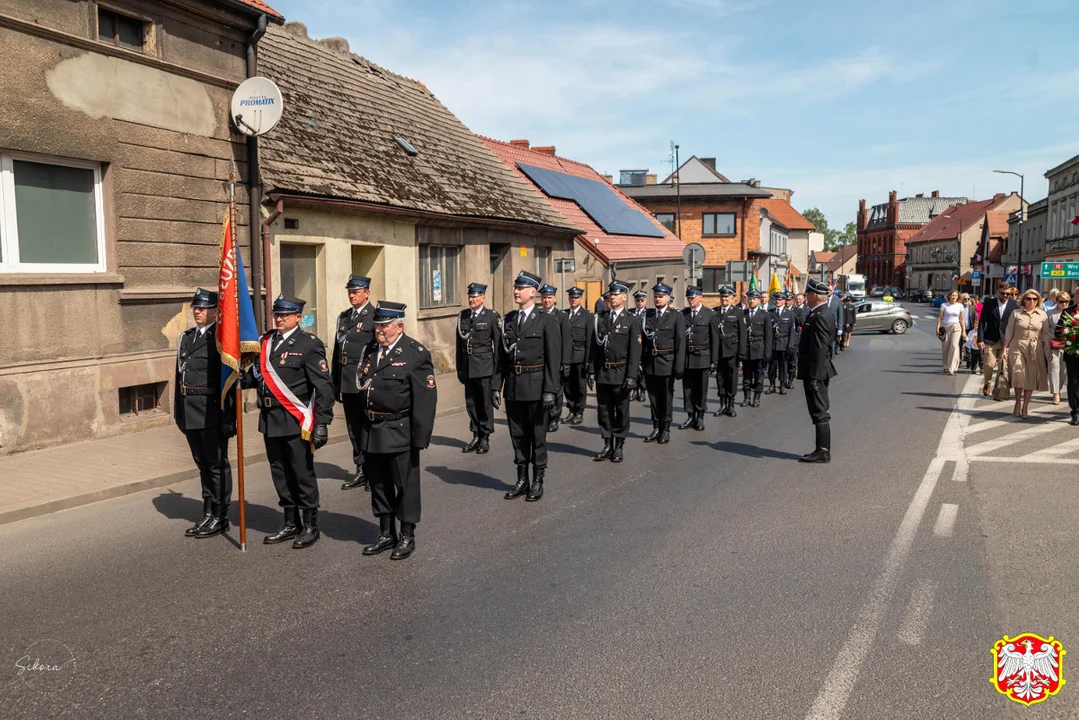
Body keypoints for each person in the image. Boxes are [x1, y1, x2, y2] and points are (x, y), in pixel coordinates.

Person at [245, 295, 335, 549]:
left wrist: (322, 422)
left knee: (301, 472)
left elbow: (324, 387)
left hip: (296, 420)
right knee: (280, 473)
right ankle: (289, 521)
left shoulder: (308, 345)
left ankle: (309, 525)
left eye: (285, 314)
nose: (280, 318)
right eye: (277, 314)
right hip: (270, 418)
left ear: (298, 317)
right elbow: (256, 376)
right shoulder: (265, 342)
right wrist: (241, 380)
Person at [357, 301, 438, 560]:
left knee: (405, 486)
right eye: (377, 325)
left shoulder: (414, 353)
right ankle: (385, 532)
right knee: (379, 483)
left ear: (399, 326)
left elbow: (425, 400)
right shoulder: (370, 350)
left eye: (385, 326)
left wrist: (420, 437)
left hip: (400, 429)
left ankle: (407, 535)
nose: (379, 330)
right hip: (373, 428)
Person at [174, 288, 235, 539]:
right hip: (190, 411)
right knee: (202, 465)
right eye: (195, 307)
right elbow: (179, 376)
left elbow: (228, 382)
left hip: (212, 412)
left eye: (203, 308)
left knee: (216, 465)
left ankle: (221, 516)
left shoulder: (221, 341)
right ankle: (208, 511)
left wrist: (228, 417)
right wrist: (178, 412)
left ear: (215, 311)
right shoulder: (186, 338)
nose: (198, 311)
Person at [501, 271, 561, 502]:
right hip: (514, 387)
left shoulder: (547, 320)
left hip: (537, 388)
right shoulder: (508, 320)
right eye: (515, 287)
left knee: (537, 436)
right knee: (517, 436)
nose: (516, 291)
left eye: (521, 288)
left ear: (533, 292)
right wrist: (497, 387)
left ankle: (538, 480)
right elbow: (502, 358)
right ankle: (521, 479)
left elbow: (553, 360)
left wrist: (550, 391)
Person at [590, 281, 643, 462]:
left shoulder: (632, 321)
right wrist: (591, 371)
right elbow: (594, 348)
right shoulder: (601, 319)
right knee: (604, 411)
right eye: (610, 294)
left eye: (616, 294)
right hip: (603, 372)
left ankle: (619, 445)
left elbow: (635, 352)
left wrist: (631, 376)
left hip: (621, 373)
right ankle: (607, 444)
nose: (612, 297)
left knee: (621, 411)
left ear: (624, 297)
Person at [332, 274, 376, 490]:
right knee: (353, 428)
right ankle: (360, 469)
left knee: (368, 427)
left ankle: (373, 470)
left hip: (365, 382)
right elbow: (336, 352)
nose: (352, 295)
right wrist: (334, 383)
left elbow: (378, 352)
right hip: (347, 381)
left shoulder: (374, 317)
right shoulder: (344, 317)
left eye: (356, 291)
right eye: (350, 291)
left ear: (367, 293)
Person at [456, 282, 502, 453]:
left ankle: (485, 437)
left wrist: (497, 373)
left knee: (484, 403)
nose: (472, 299)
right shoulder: (463, 316)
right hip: (468, 366)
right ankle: (475, 435)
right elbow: (459, 345)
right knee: (471, 403)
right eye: (470, 296)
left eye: (475, 296)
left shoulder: (491, 316)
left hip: (485, 367)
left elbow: (497, 348)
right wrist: (459, 368)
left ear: (483, 297)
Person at [798, 279, 838, 463]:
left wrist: (813, 376)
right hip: (816, 370)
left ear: (814, 295)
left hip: (817, 372)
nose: (806, 296)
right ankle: (820, 449)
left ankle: (823, 451)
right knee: (817, 410)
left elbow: (821, 348)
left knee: (820, 411)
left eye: (807, 293)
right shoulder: (819, 312)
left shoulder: (821, 315)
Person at [641, 282, 686, 442]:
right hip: (650, 363)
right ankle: (656, 427)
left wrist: (679, 366)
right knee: (653, 398)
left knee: (666, 398)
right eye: (655, 296)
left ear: (668, 298)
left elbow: (680, 343)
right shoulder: (648, 316)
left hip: (667, 362)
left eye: (661, 296)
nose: (658, 299)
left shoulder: (676, 316)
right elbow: (642, 341)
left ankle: (665, 428)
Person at [1004, 289, 1052, 419]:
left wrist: (1048, 351)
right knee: (1019, 375)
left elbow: (1045, 334)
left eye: (1034, 299)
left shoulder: (1042, 315)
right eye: (1029, 298)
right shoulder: (1016, 313)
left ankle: (1025, 406)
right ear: (1023, 299)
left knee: (1030, 377)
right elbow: (1009, 332)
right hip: (1017, 345)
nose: (1031, 301)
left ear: (1038, 301)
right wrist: (1004, 349)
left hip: (1035, 348)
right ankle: (1018, 402)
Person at [681, 286, 718, 429]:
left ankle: (700, 416)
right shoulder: (683, 314)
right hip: (687, 358)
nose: (691, 300)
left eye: (693, 297)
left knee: (702, 389)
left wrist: (714, 360)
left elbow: (715, 339)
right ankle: (690, 416)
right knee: (688, 389)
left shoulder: (710, 315)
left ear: (700, 297)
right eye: (689, 298)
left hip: (703, 357)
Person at [539, 284, 572, 433]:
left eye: (549, 298)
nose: (546, 300)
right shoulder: (538, 315)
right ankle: (544, 417)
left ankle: (554, 417)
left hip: (557, 360)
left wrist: (566, 361)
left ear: (555, 299)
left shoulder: (561, 316)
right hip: (542, 360)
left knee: (557, 390)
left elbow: (567, 340)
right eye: (544, 298)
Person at [711, 285, 746, 417]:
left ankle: (730, 405)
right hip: (719, 351)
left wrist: (741, 354)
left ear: (732, 298)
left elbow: (742, 335)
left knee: (731, 378)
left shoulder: (738, 312)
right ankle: (722, 404)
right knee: (720, 378)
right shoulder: (714, 312)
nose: (724, 298)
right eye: (722, 296)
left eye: (727, 296)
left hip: (732, 350)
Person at [561, 286, 592, 425]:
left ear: (580, 299)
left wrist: (588, 361)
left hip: (580, 355)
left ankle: (579, 412)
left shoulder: (587, 315)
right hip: (566, 356)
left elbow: (589, 340)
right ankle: (571, 409)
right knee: (567, 386)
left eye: (576, 297)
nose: (573, 300)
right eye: (571, 297)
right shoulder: (563, 314)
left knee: (580, 386)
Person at [978, 283, 1016, 396]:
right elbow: (981, 322)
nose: (1005, 296)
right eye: (1003, 293)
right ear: (997, 292)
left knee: (1003, 367)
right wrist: (980, 339)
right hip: (990, 338)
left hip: (1007, 339)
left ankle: (998, 390)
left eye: (1008, 294)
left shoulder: (1014, 304)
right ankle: (987, 382)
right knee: (989, 364)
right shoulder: (989, 303)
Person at [742, 289, 773, 407]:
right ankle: (746, 398)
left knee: (759, 376)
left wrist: (768, 353)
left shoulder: (764, 315)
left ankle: (756, 398)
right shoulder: (743, 314)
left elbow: (768, 336)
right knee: (746, 376)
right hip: (746, 349)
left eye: (754, 298)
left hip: (759, 349)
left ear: (758, 300)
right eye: (749, 298)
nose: (751, 300)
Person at [1055, 293, 1079, 425]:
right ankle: (1076, 412)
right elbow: (1058, 331)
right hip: (1073, 352)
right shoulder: (1068, 311)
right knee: (1074, 383)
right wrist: (1070, 332)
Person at [766, 292, 794, 394]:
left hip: (784, 343)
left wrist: (790, 345)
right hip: (773, 344)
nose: (777, 301)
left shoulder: (789, 313)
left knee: (783, 366)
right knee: (772, 366)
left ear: (784, 301)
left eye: (780, 300)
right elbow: (767, 331)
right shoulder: (770, 313)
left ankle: (782, 385)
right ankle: (772, 385)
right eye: (776, 300)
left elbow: (792, 331)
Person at [1047, 291, 1070, 405]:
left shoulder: (1072, 313)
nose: (1064, 304)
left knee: (1064, 370)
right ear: (1056, 301)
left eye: (1066, 301)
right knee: (1054, 367)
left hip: (1068, 346)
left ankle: (1059, 389)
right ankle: (1055, 393)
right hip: (1053, 345)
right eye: (1061, 301)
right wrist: (1046, 347)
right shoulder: (1050, 313)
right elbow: (1045, 331)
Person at [936, 290, 966, 375]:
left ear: (958, 297)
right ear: (949, 296)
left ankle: (952, 367)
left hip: (956, 327)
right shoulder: (944, 305)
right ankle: (945, 366)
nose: (954, 297)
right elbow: (940, 318)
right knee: (946, 347)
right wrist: (937, 328)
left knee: (954, 346)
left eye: (955, 296)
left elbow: (962, 319)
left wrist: (963, 331)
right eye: (952, 295)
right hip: (946, 327)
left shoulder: (960, 306)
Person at [628, 290, 648, 401]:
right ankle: (634, 389)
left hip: (644, 344)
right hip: (634, 343)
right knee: (634, 366)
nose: (640, 302)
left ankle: (642, 389)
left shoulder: (649, 313)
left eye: (642, 300)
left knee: (643, 369)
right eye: (637, 300)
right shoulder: (630, 312)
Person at [788, 292, 805, 383]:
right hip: (785, 338)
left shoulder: (799, 310)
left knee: (793, 360)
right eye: (786, 300)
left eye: (789, 300)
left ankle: (791, 379)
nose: (787, 302)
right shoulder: (783, 310)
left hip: (796, 337)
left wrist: (793, 315)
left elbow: (801, 322)